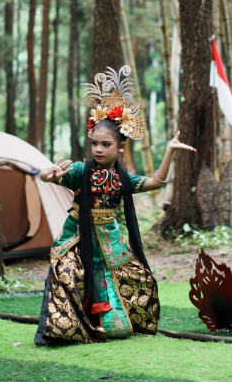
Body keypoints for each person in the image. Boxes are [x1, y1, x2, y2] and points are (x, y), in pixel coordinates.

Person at [34, 65, 196, 345]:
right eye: (95, 143)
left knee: (133, 276)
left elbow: (156, 182)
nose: (98, 149)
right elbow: (51, 177)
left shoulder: (123, 178)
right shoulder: (78, 170)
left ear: (120, 146)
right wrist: (47, 176)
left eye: (105, 144)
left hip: (109, 235)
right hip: (77, 234)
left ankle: (112, 323)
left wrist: (169, 151)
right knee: (68, 272)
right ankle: (69, 328)